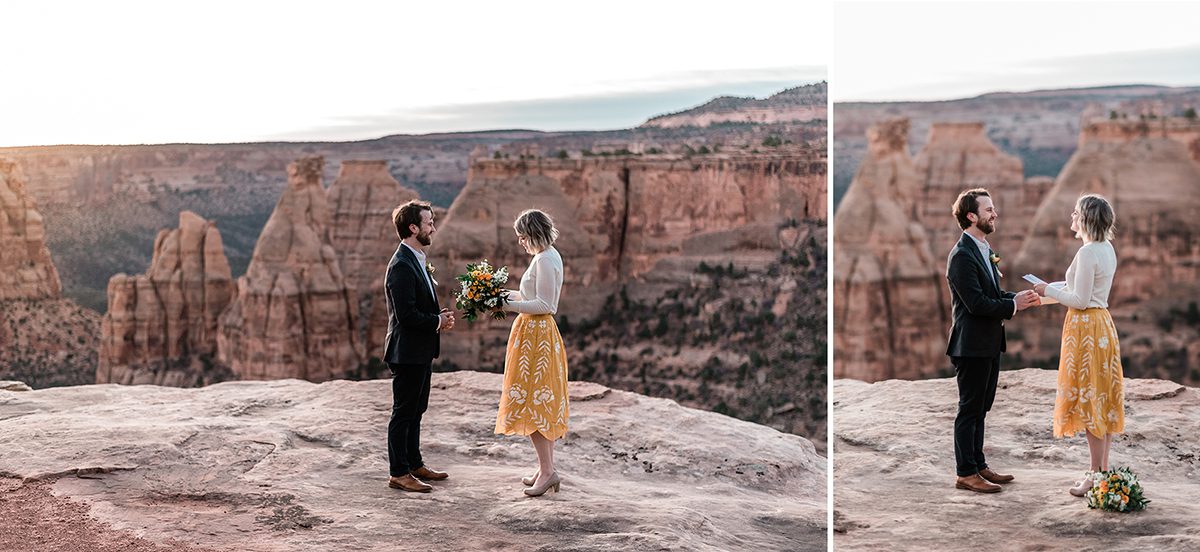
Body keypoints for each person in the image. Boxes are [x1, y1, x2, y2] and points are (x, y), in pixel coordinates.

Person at [945, 188, 1041, 493]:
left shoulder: (984, 250)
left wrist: (1019, 298)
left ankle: (979, 464)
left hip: (988, 342)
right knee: (969, 408)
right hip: (971, 345)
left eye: (993, 208)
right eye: (988, 210)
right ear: (971, 216)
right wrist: (1013, 307)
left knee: (982, 407)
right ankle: (965, 473)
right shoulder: (961, 256)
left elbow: (994, 296)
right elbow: (976, 304)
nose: (994, 214)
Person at [1032, 193, 1123, 497]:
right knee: (1102, 400)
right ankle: (1103, 473)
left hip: (1085, 330)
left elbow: (1080, 300)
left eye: (1075, 213)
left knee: (1090, 401)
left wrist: (1047, 289)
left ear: (1085, 219)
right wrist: (1050, 291)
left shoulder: (1086, 253)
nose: (1071, 217)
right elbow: (1082, 290)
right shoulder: (1106, 248)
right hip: (1102, 326)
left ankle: (1094, 477)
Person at [494, 209, 570, 497]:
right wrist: (500, 295)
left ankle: (549, 472)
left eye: (522, 237)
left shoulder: (547, 260)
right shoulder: (544, 257)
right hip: (531, 336)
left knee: (534, 402)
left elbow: (545, 305)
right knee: (536, 401)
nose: (521, 243)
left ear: (534, 233)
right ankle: (545, 467)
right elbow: (530, 297)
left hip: (538, 338)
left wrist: (507, 306)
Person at [382, 200, 456, 493]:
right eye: (428, 223)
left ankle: (414, 463)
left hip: (420, 350)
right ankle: (398, 473)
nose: (433, 228)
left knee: (417, 409)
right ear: (413, 228)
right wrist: (437, 321)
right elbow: (406, 315)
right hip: (407, 352)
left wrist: (438, 321)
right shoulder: (401, 264)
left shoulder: (416, 257)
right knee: (403, 413)